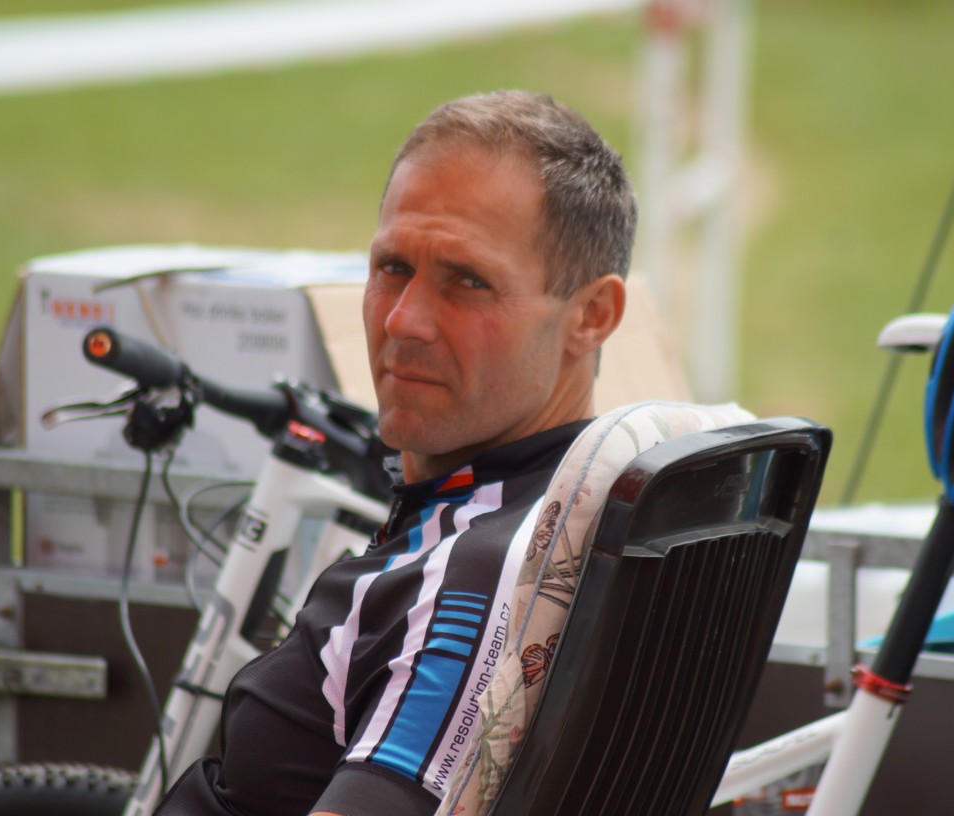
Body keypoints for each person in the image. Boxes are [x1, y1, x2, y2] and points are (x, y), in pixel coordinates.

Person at [153, 89, 636, 816]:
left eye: (467, 282)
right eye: (392, 268)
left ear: (591, 316)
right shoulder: (550, 506)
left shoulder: (474, 574)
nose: (405, 321)